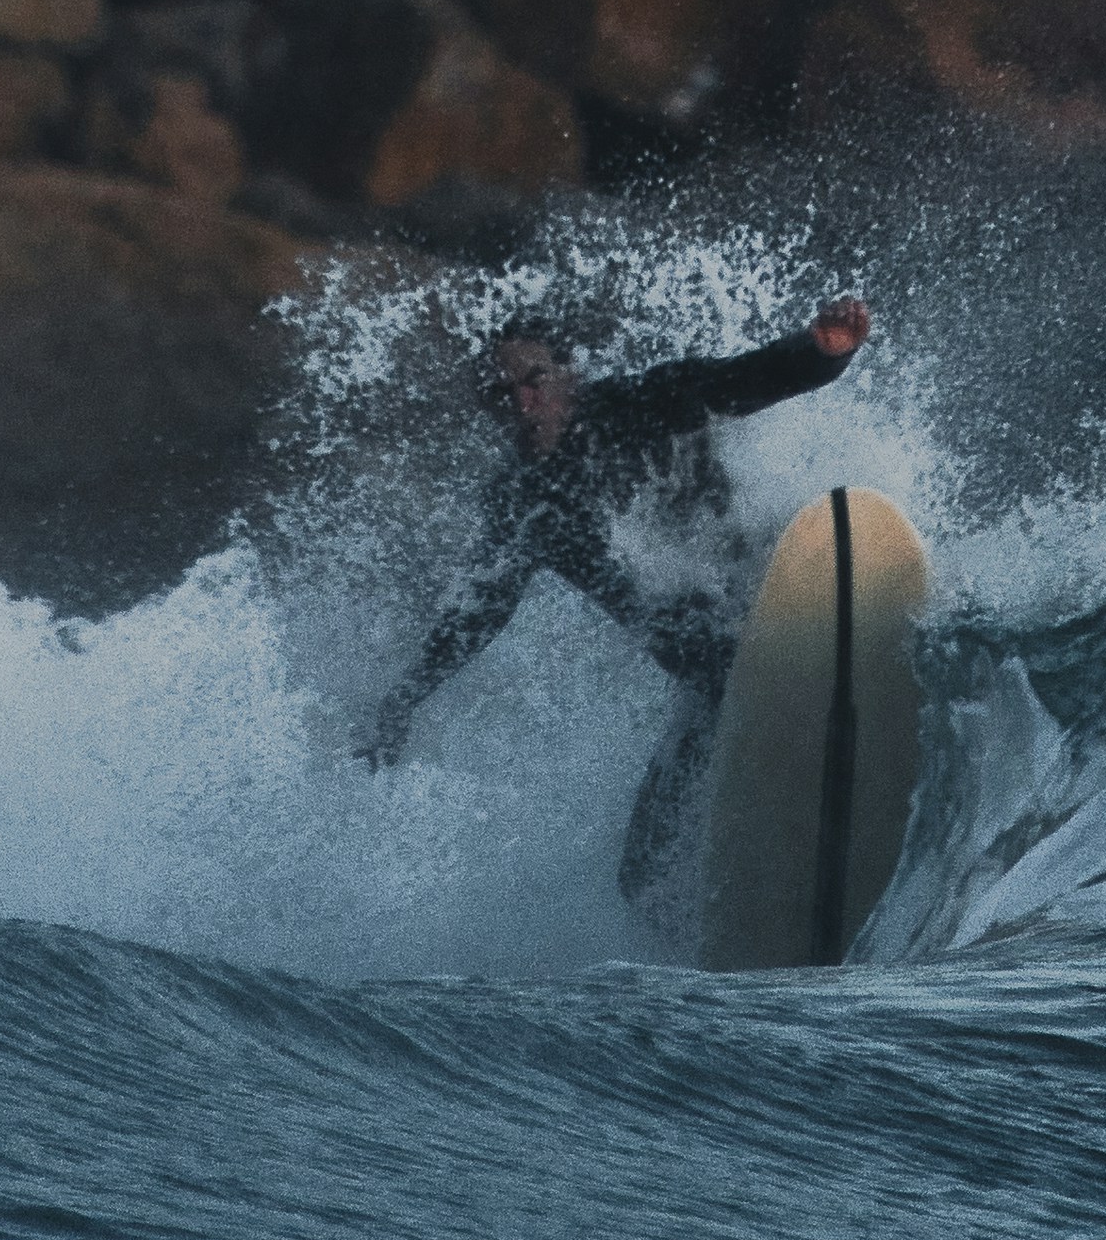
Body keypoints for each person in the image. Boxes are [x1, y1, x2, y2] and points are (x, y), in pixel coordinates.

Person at [372, 296, 873, 876]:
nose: (522, 405)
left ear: (570, 375)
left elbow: (745, 379)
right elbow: (480, 611)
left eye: (534, 382)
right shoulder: (522, 499)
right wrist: (404, 699)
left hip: (757, 602)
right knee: (647, 866)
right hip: (709, 678)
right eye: (500, 396)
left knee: (721, 642)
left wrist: (818, 354)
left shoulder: (640, 405)